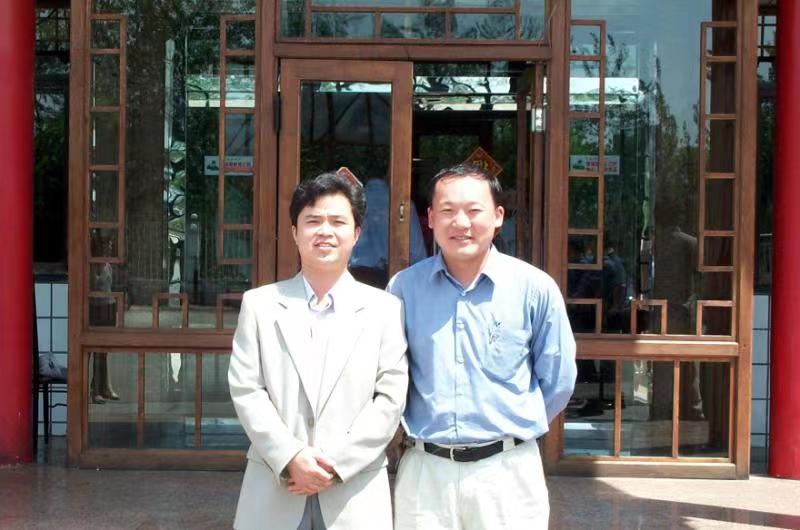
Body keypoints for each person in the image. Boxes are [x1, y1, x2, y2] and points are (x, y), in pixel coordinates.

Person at [388, 164, 577, 529]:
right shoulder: (403, 289)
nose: (461, 222)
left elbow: (559, 381)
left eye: (474, 210)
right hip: (426, 473)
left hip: (507, 474)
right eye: (447, 210)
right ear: (430, 218)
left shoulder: (534, 288)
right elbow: (389, 375)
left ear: (498, 216)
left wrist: (513, 430)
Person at [228, 172, 409, 530]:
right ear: (295, 232)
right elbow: (247, 390)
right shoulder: (260, 305)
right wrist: (291, 457)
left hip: (353, 492)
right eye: (313, 221)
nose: (325, 231)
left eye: (338, 222)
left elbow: (390, 399)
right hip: (277, 488)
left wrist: (336, 465)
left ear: (356, 233)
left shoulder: (384, 309)